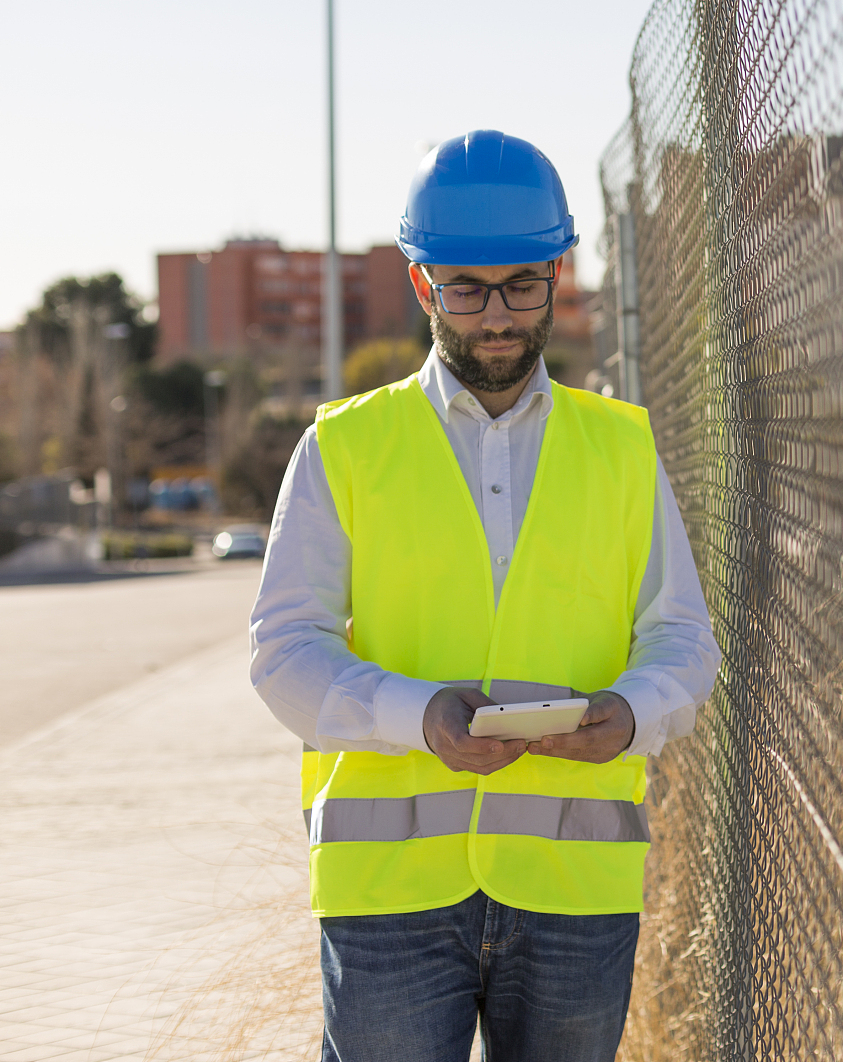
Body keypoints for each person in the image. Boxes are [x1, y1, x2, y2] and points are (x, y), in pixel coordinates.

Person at [250, 129, 721, 1062]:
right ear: (423, 284)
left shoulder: (621, 447)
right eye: (465, 287)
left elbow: (683, 639)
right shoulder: (346, 446)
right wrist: (421, 715)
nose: (496, 314)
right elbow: (284, 651)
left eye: (521, 284)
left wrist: (628, 714)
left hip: (573, 890)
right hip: (389, 899)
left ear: (558, 272)